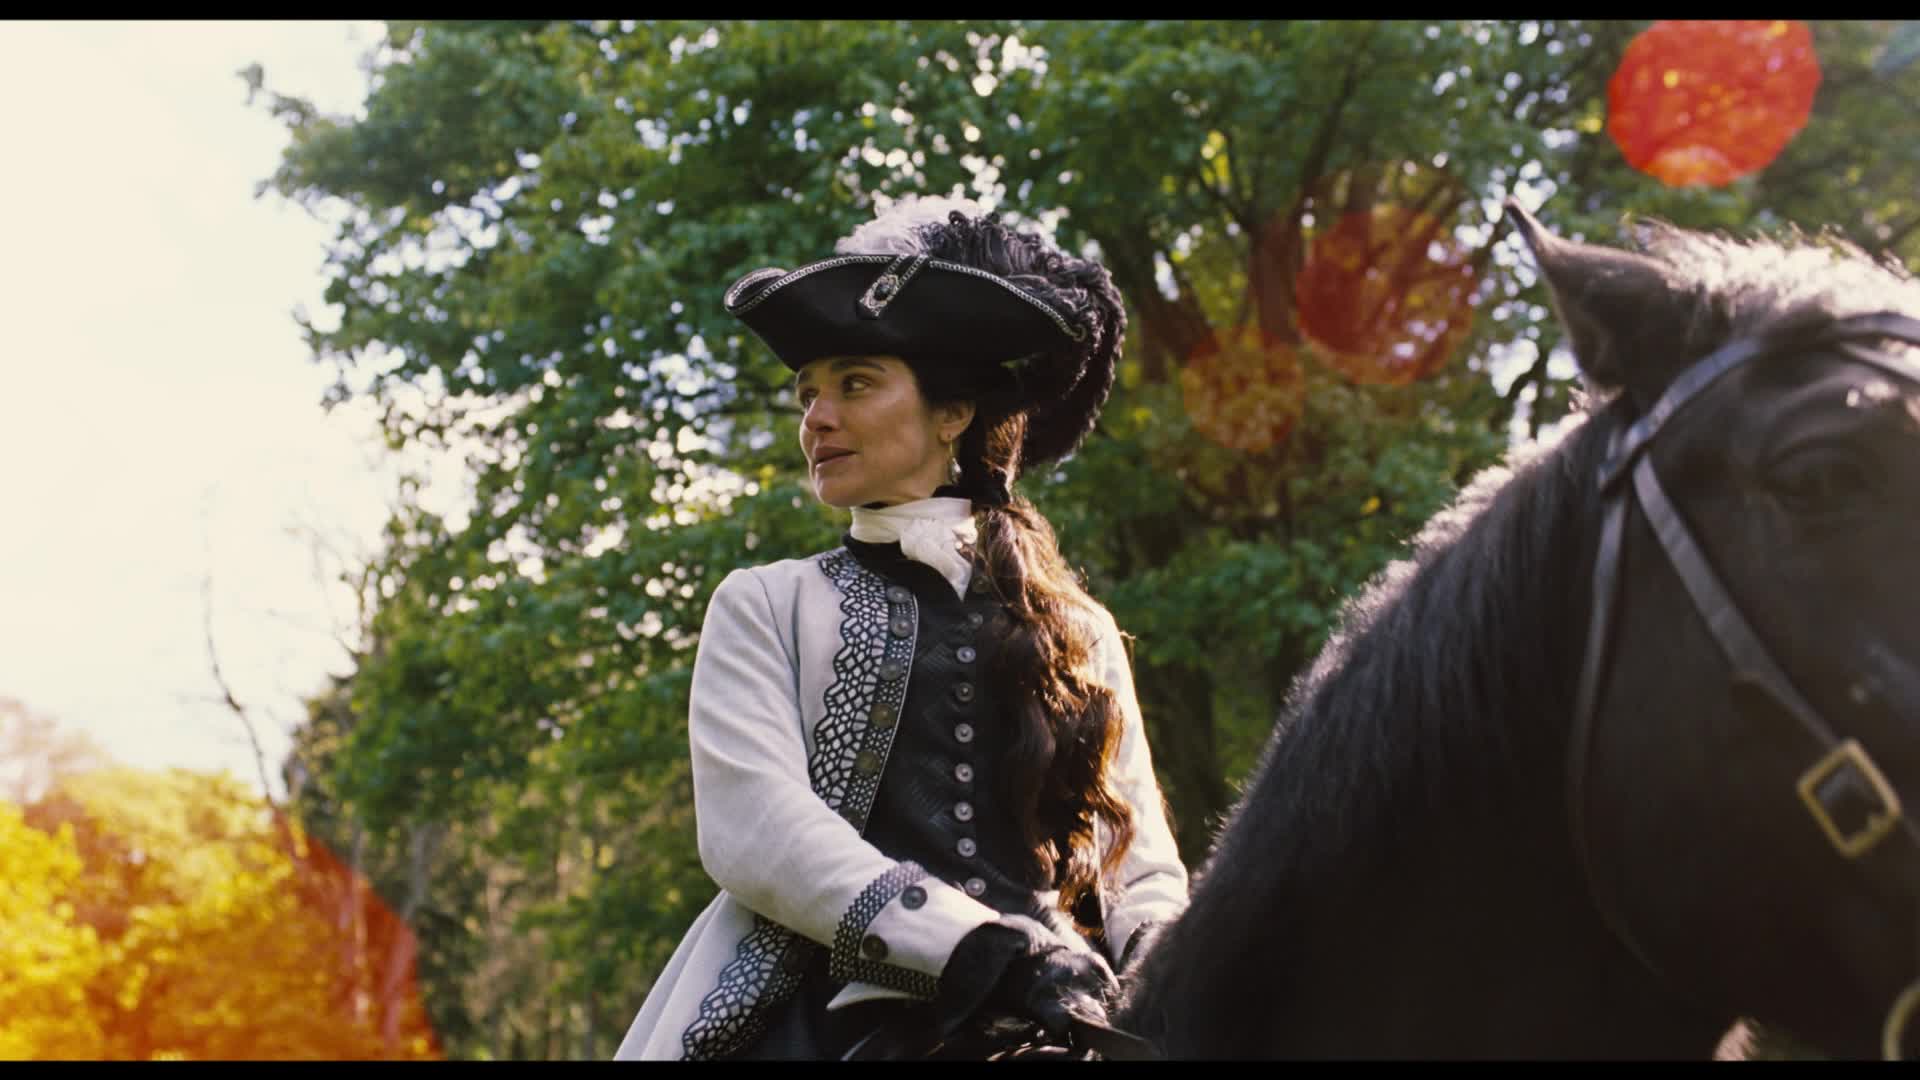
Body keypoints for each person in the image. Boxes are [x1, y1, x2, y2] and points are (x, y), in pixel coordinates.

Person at [612, 194, 1189, 1061]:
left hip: (1067, 1015)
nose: (817, 418)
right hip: (830, 1018)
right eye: (807, 394)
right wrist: (983, 949)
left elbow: (1138, 862)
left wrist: (1159, 964)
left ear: (952, 413)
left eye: (854, 384)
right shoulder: (766, 603)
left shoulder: (1081, 628)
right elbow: (754, 827)